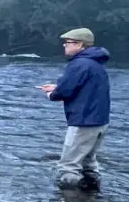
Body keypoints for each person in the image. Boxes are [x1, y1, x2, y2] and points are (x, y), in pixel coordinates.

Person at [36, 28, 111, 191]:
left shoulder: (78, 64)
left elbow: (64, 92)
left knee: (69, 165)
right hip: (100, 121)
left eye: (67, 43)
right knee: (88, 162)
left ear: (79, 45)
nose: (64, 46)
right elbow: (84, 88)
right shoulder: (95, 63)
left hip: (83, 121)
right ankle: (92, 197)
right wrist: (58, 87)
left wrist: (52, 94)